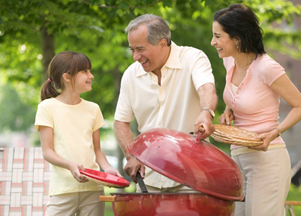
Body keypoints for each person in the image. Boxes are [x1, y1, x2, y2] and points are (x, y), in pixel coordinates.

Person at [211, 3, 301, 216]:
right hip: (238, 159)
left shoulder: (266, 67)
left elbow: (299, 105)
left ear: (237, 38)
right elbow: (239, 99)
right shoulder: (229, 63)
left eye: (217, 36)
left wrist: (274, 132)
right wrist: (228, 111)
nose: (213, 42)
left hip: (267, 160)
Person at [114, 14, 218, 193]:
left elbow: (206, 89)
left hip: (192, 178)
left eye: (140, 49)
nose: (135, 57)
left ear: (162, 44)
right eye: (132, 50)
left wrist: (207, 112)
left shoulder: (193, 58)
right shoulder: (131, 75)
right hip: (149, 180)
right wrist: (131, 156)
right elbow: (120, 122)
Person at [35, 51, 122, 216]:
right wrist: (70, 165)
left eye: (89, 70)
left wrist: (108, 168)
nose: (91, 75)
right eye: (85, 71)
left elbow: (97, 151)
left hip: (93, 189)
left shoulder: (93, 109)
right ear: (67, 77)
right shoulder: (47, 108)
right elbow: (47, 151)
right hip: (63, 189)